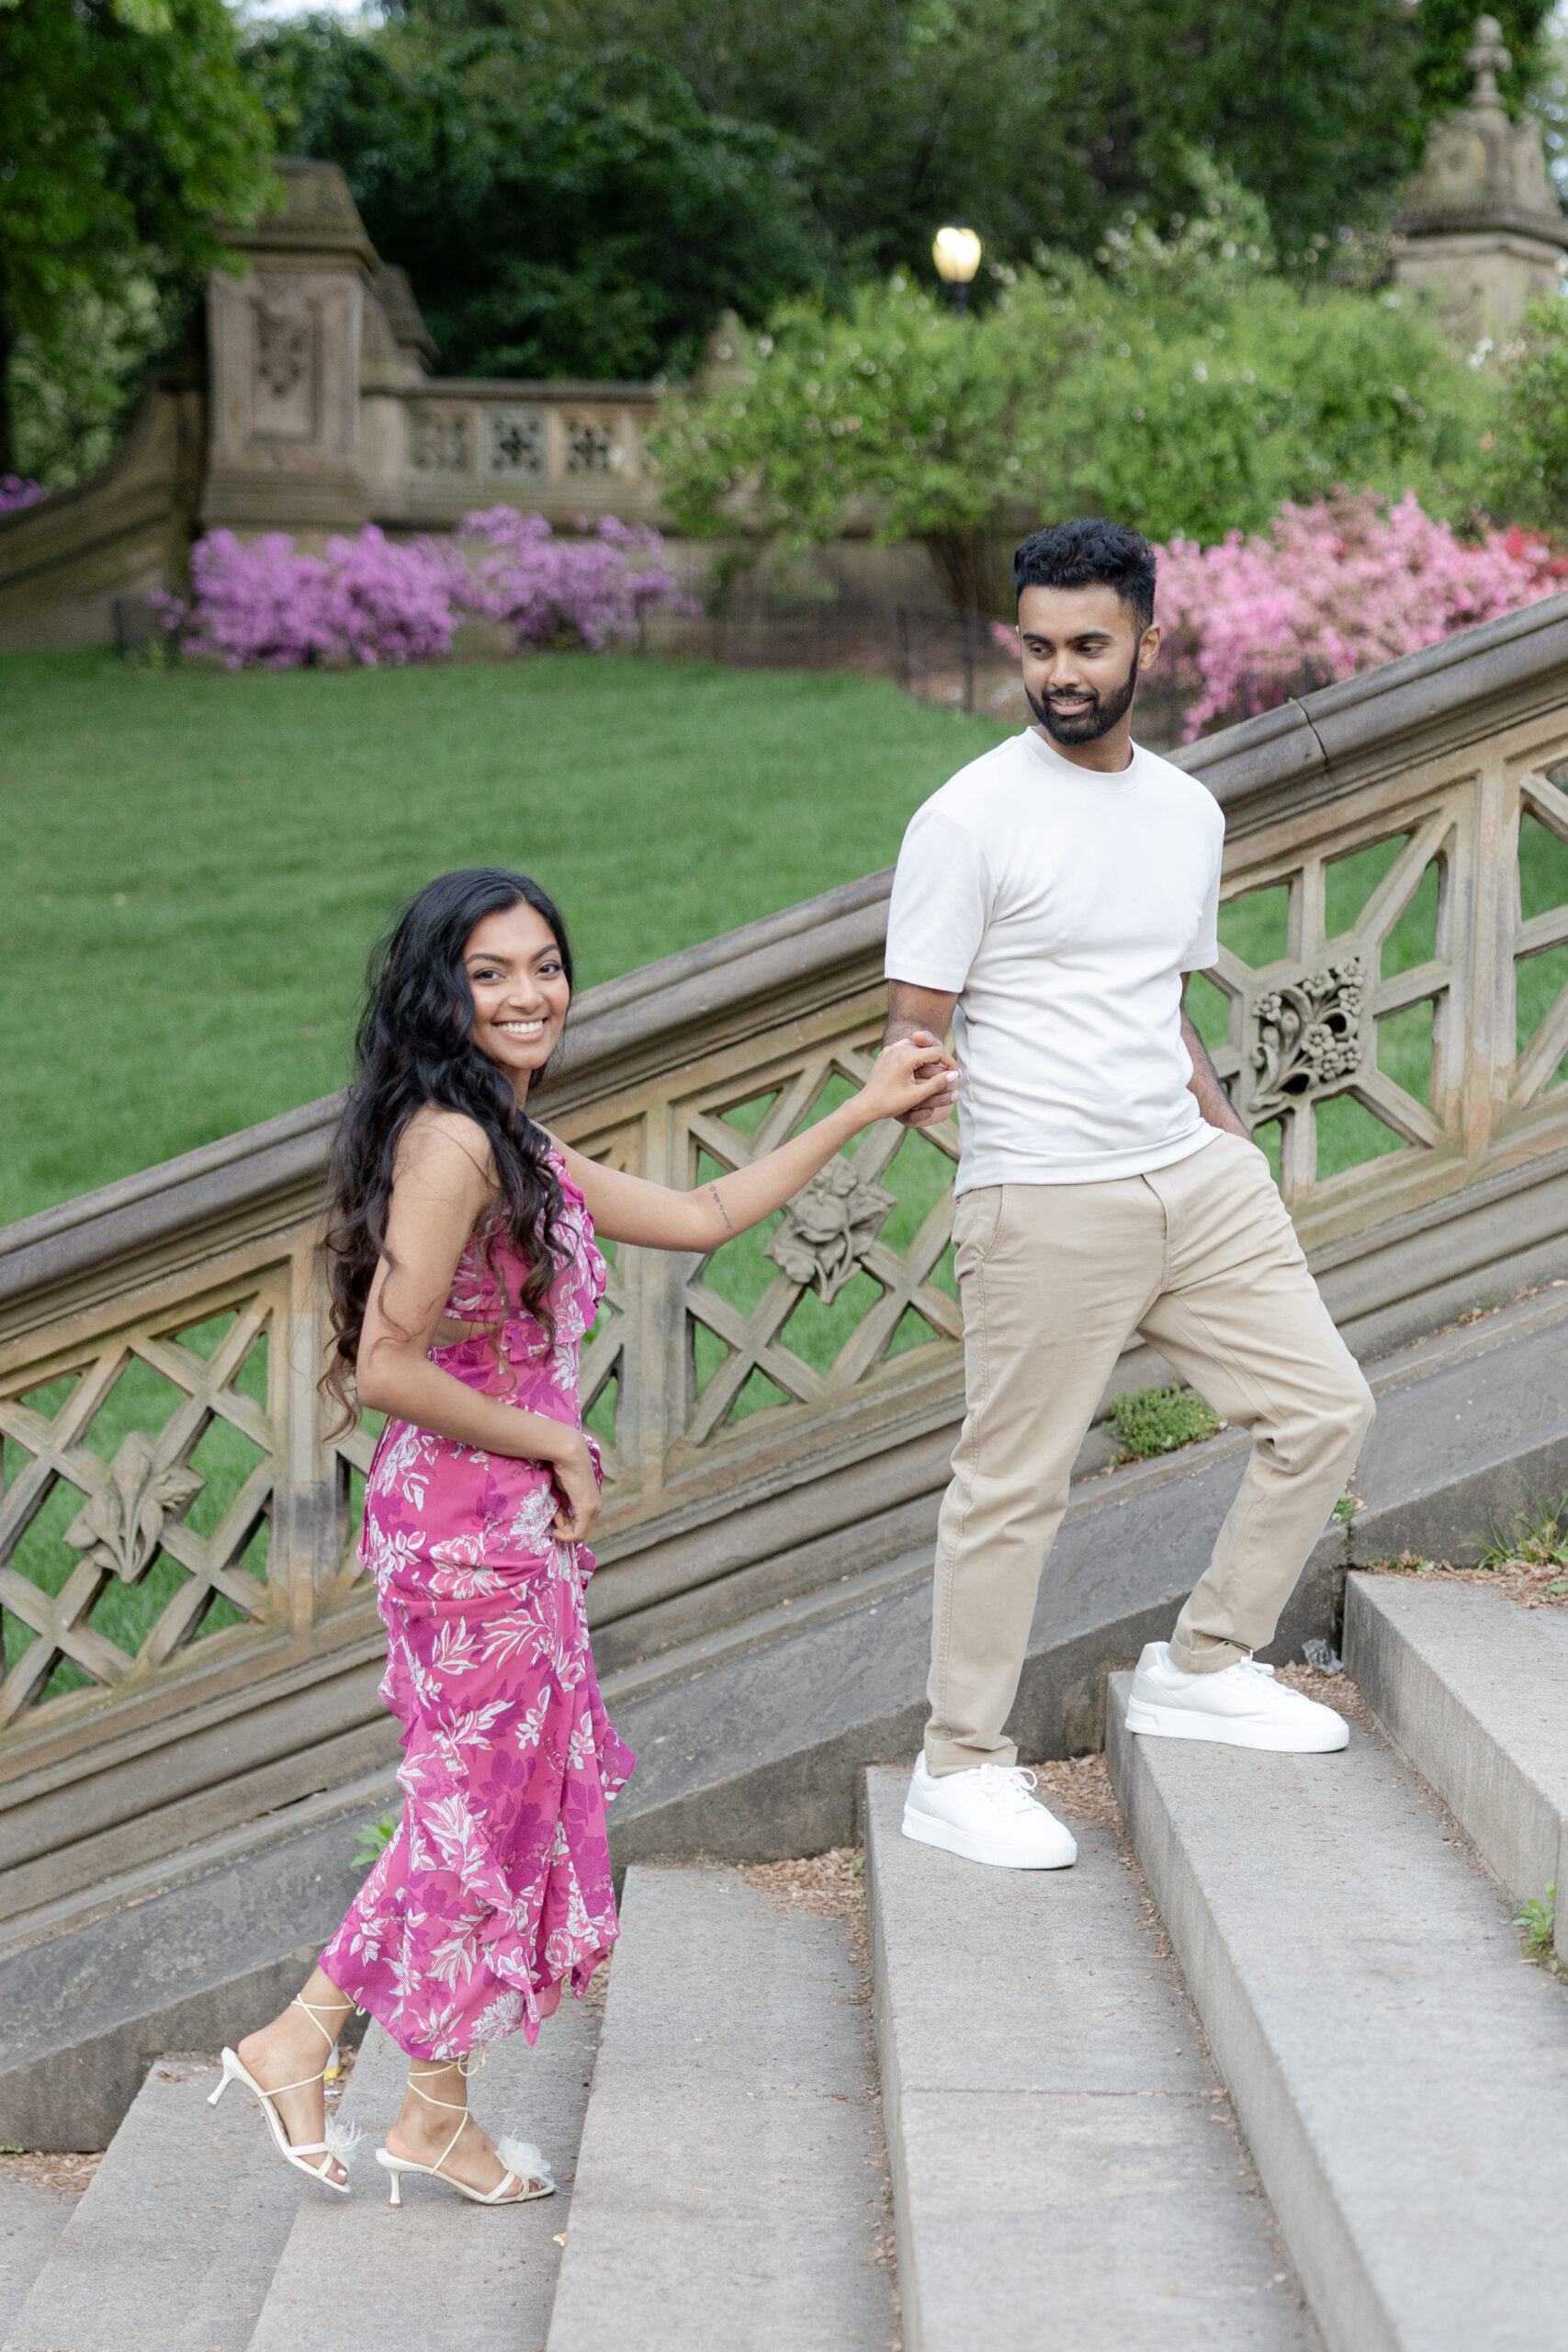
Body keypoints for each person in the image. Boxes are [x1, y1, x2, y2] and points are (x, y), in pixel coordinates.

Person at [209, 866, 956, 2199]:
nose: (526, 993)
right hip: (465, 1528)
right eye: (489, 972)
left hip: (503, 1527)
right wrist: (556, 1436)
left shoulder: (507, 1139)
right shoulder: (452, 1143)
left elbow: (702, 1215)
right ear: (441, 992)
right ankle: (306, 2041)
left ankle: (421, 2103)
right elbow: (385, 1362)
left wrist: (860, 1106)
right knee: (473, 1808)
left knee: (490, 1810)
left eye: (544, 965)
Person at [886, 518, 1376, 1873]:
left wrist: (1228, 1147)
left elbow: (1156, 999)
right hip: (1045, 1193)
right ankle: (958, 1764)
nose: (1060, 672)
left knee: (1326, 1408)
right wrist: (1001, 1169)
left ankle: (1206, 1662)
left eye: (1088, 645)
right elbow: (911, 1044)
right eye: (1037, 647)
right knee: (1013, 1488)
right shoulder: (967, 819)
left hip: (1192, 1173)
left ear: (1148, 642)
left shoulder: (1186, 811)